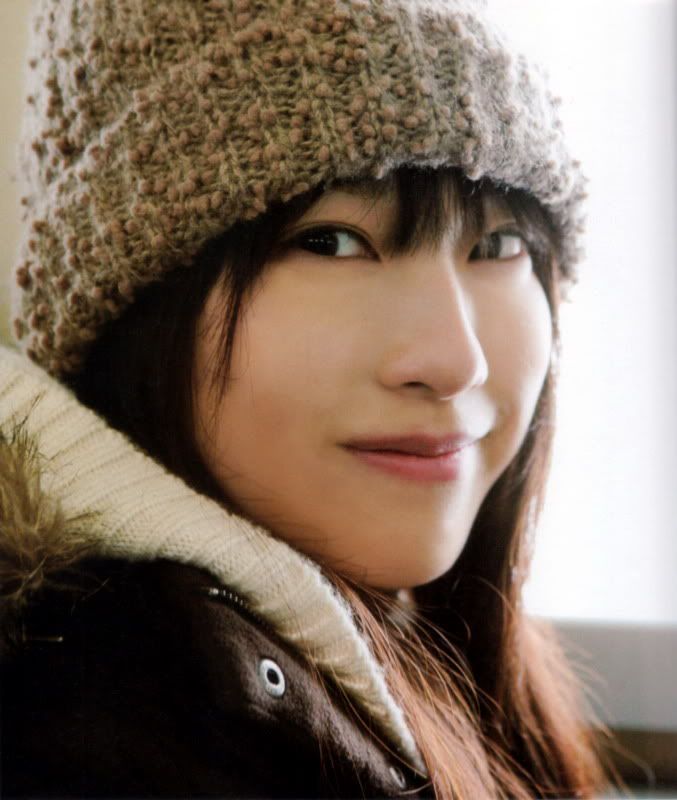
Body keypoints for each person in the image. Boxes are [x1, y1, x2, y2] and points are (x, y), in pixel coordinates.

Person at [0, 0, 618, 797]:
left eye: (497, 245)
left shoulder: (434, 657)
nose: (454, 361)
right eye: (331, 243)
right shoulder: (91, 731)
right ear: (136, 311)